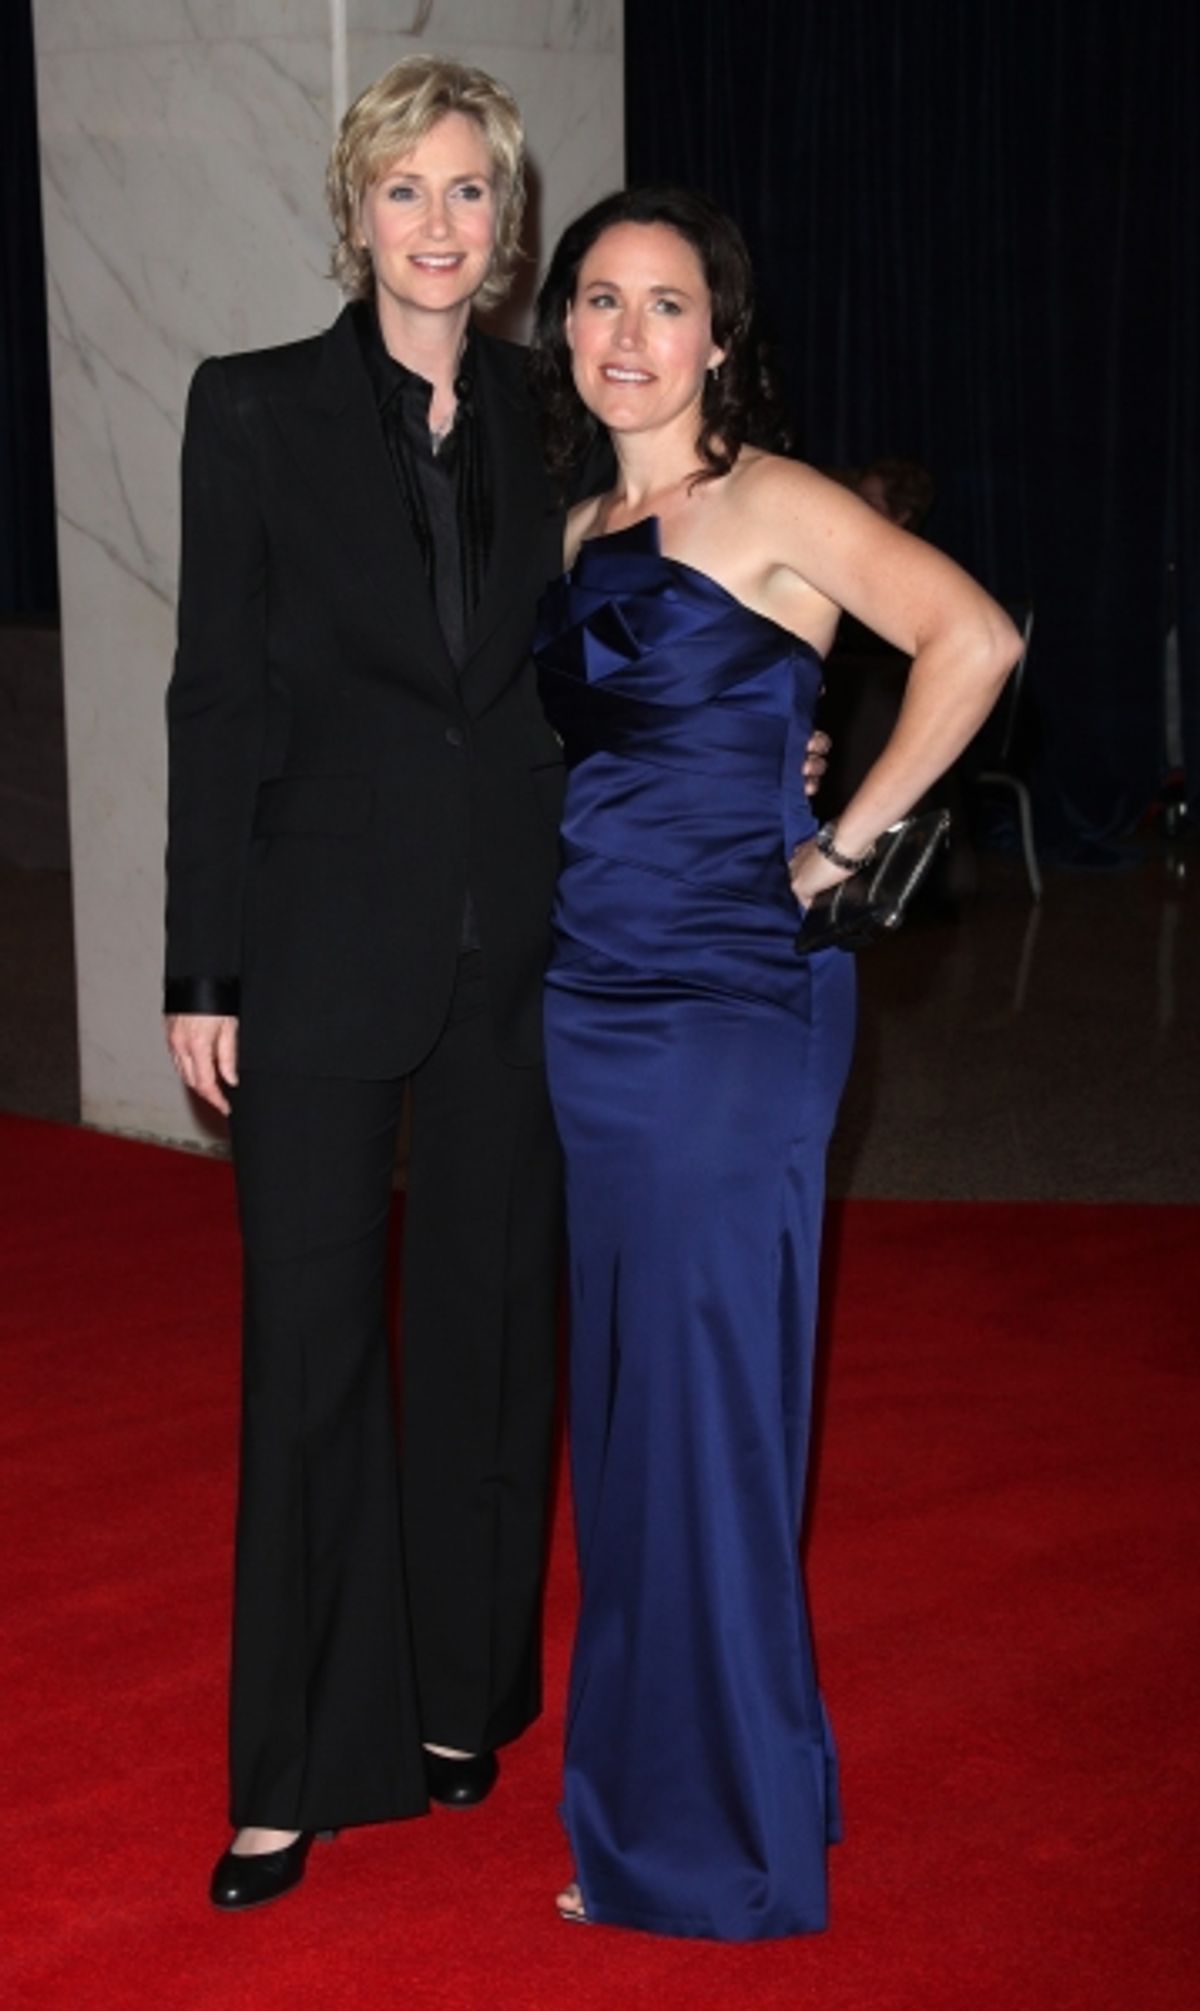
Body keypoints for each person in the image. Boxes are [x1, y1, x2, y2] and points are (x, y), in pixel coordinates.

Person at [164, 58, 832, 1911]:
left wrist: (783, 738)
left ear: (507, 227)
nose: (440, 226)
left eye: (472, 196)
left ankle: (464, 1701)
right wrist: (197, 958)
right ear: (355, 209)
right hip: (311, 950)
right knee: (309, 1346)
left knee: (490, 1335)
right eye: (407, 191)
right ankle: (288, 1771)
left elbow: (686, 600)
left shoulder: (566, 410)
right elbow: (217, 696)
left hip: (539, 951)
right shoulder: (257, 411)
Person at [528, 186, 1021, 1940]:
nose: (629, 333)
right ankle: (681, 1799)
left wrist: (836, 854)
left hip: (730, 1010)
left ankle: (714, 1851)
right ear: (566, 325)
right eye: (598, 299)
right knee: (638, 1428)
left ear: (720, 335)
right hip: (591, 1009)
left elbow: (976, 640)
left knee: (706, 1426)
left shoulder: (773, 503)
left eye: (666, 304)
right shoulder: (588, 518)